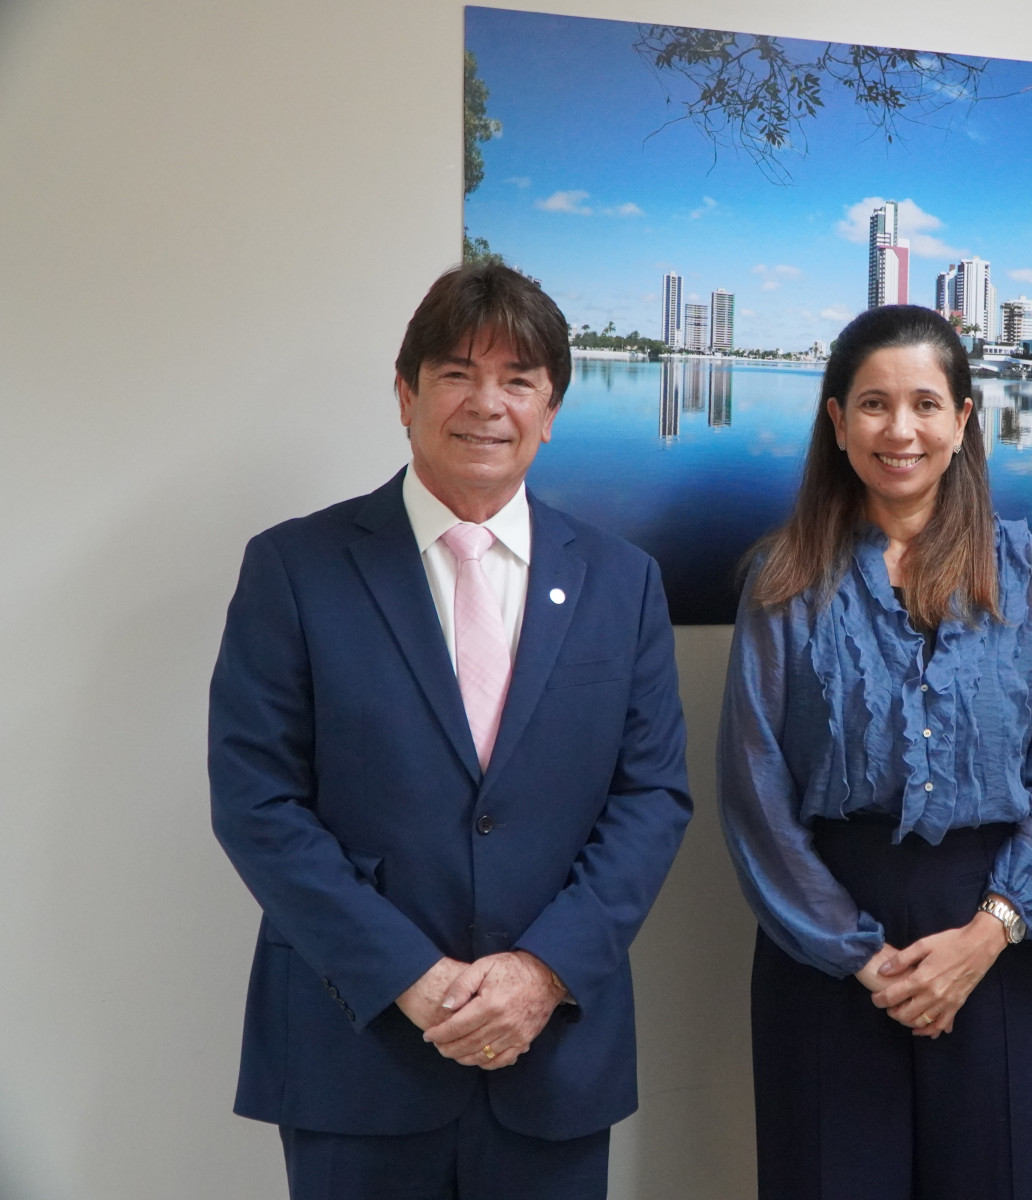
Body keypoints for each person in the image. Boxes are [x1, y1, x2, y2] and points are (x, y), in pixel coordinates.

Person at [209, 262, 692, 1199]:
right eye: (457, 374)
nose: (487, 404)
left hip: (551, 1057)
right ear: (406, 394)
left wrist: (541, 973)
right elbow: (256, 802)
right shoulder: (295, 568)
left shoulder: (623, 582)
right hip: (357, 1053)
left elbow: (652, 798)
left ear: (550, 412)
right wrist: (410, 977)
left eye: (518, 380)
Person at [716, 305, 1032, 1200]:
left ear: (962, 421)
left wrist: (987, 933)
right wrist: (859, 954)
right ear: (837, 420)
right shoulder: (783, 582)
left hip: (995, 937)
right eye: (874, 404)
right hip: (825, 944)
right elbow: (754, 788)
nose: (900, 430)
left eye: (925, 404)